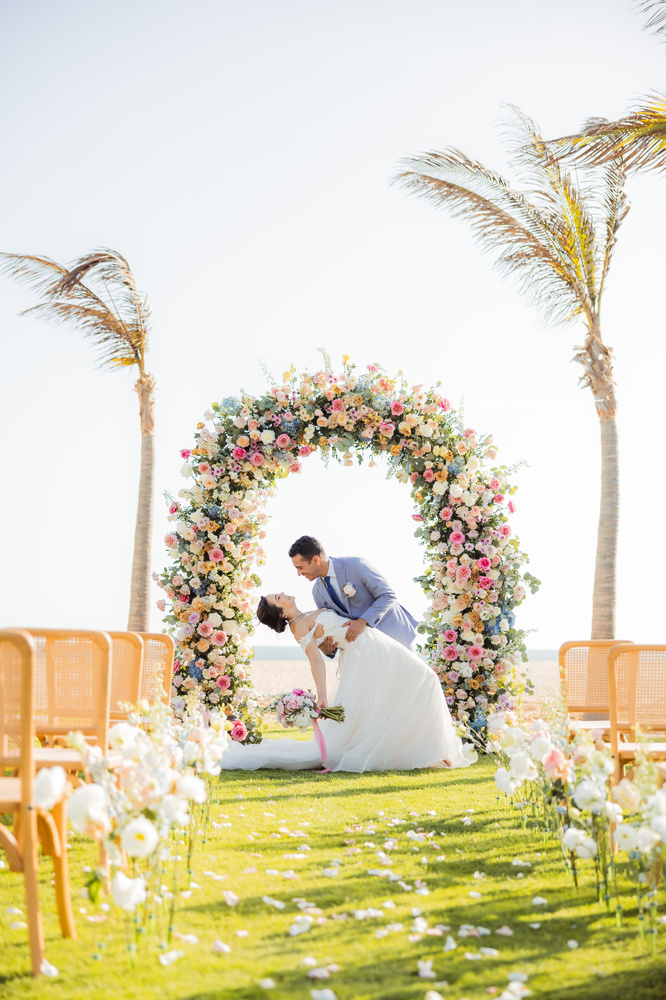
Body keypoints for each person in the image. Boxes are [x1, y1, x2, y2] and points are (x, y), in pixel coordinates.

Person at [219, 593, 474, 773]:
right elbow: (316, 662)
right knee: (425, 679)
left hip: (372, 645)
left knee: (413, 685)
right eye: (278, 598)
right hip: (366, 653)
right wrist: (322, 696)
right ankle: (435, 752)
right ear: (281, 612)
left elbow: (328, 643)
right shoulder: (299, 627)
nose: (284, 594)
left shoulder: (306, 614)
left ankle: (431, 751)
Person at [288, 535, 418, 656]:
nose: (299, 573)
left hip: (395, 636)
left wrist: (363, 621)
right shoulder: (317, 592)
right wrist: (329, 650)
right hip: (368, 652)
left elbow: (387, 595)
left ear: (316, 560)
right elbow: (334, 626)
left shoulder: (357, 565)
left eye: (300, 567)